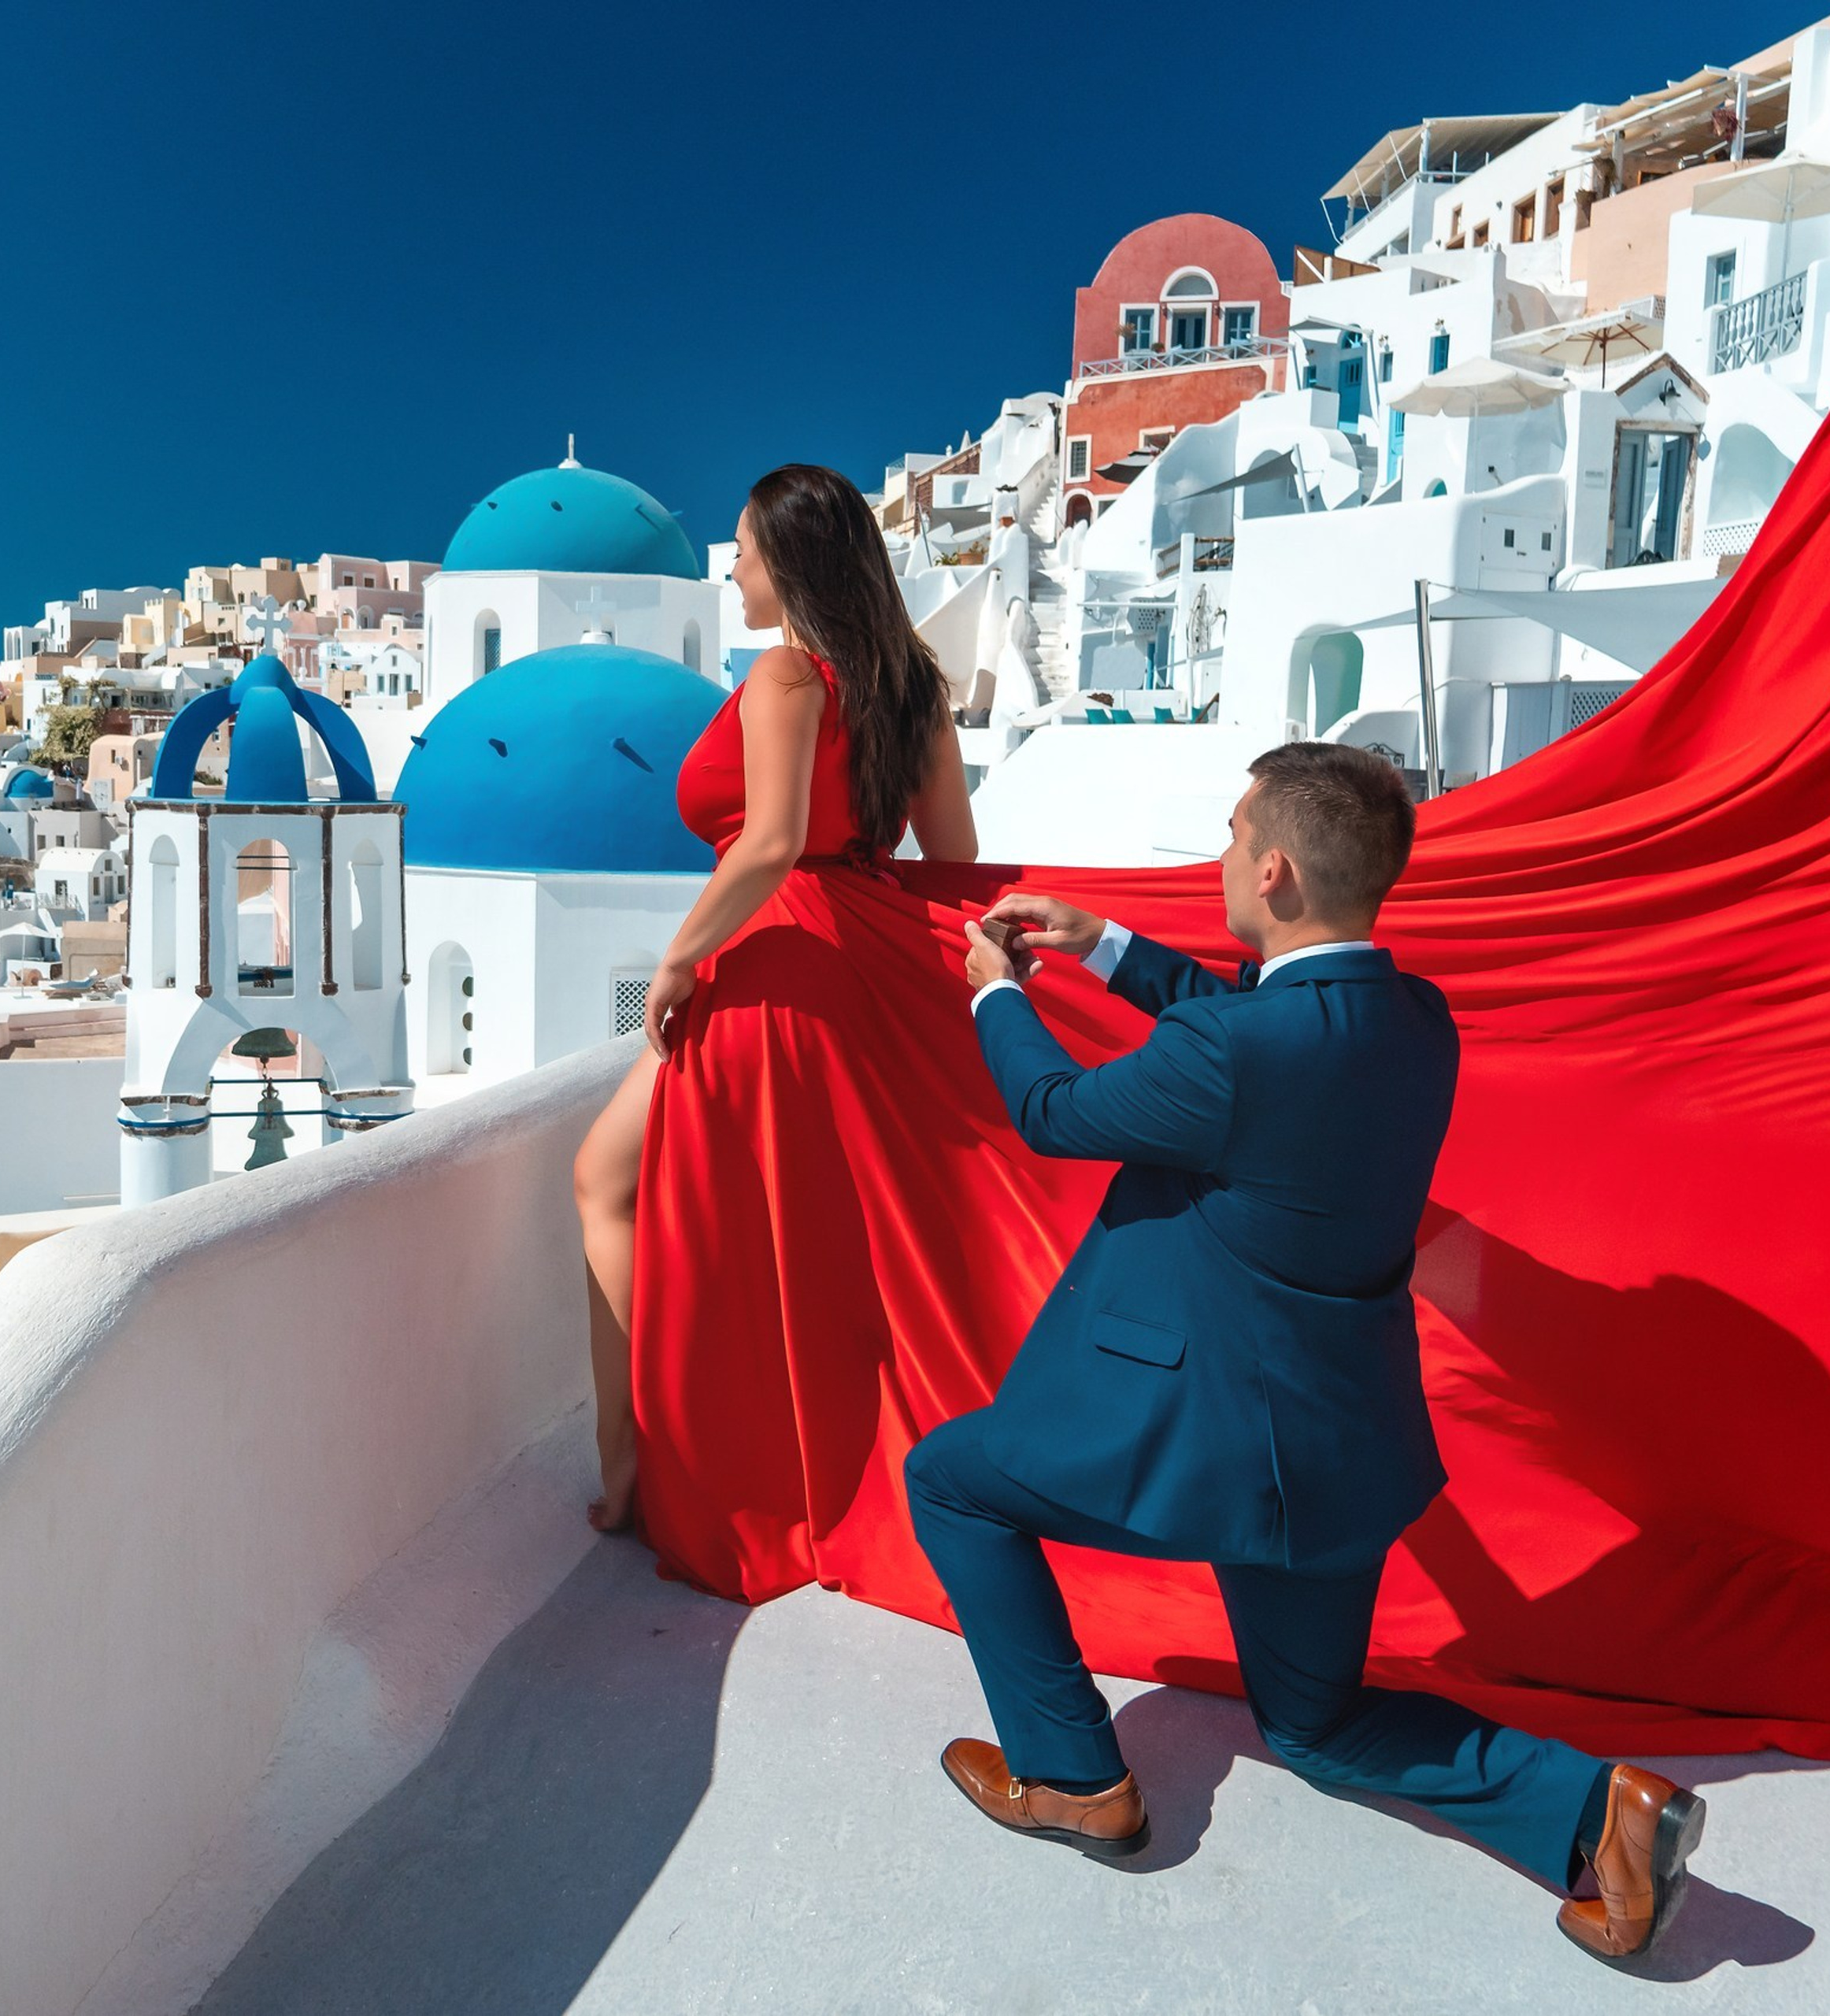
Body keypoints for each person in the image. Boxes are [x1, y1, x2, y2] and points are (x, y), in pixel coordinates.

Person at [904, 743, 1706, 1964]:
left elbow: (1053, 1112)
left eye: (1233, 836)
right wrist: (1107, 945)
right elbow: (1258, 1025)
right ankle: (1602, 1813)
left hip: (1213, 1445)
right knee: (1318, 1727)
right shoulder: (1414, 1020)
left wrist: (995, 997)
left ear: (1273, 869)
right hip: (1340, 1448)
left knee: (951, 1481)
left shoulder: (1240, 1054)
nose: (1223, 856)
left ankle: (1072, 1777)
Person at [571, 463, 977, 1532]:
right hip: (861, 964)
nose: (735, 572)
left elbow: (771, 842)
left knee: (605, 1179)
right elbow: (953, 865)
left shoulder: (787, 675)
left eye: (744, 553)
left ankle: (636, 1467)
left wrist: (679, 961)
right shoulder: (916, 691)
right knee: (797, 1231)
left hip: (771, 954)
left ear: (788, 563)